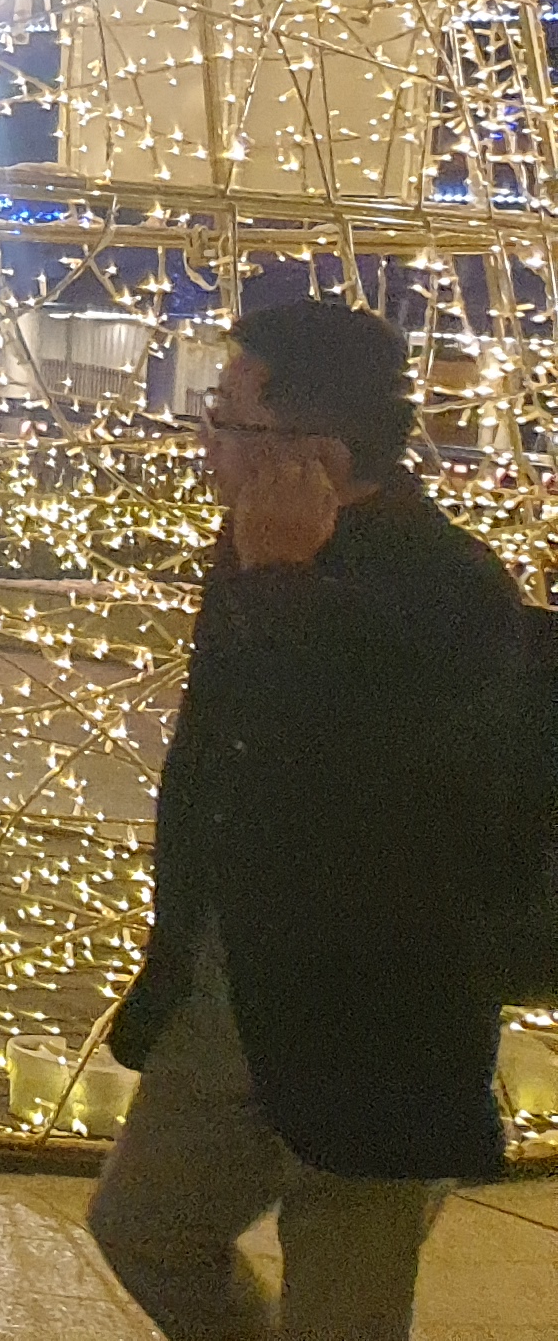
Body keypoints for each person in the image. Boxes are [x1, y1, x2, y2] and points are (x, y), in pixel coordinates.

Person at [86, 297, 526, 1341]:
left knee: (348, 1313)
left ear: (317, 450)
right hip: (230, 992)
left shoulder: (450, 586)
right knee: (139, 1230)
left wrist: (284, 585)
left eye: (233, 422)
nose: (209, 445)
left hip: (382, 1028)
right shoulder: (252, 553)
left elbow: (390, 791)